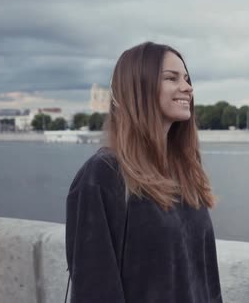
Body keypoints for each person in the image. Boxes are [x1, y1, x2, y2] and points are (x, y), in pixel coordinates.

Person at [65, 42, 222, 302]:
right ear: (138, 88)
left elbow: (206, 280)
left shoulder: (183, 172)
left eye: (186, 78)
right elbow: (95, 291)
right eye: (171, 78)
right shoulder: (103, 175)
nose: (187, 87)